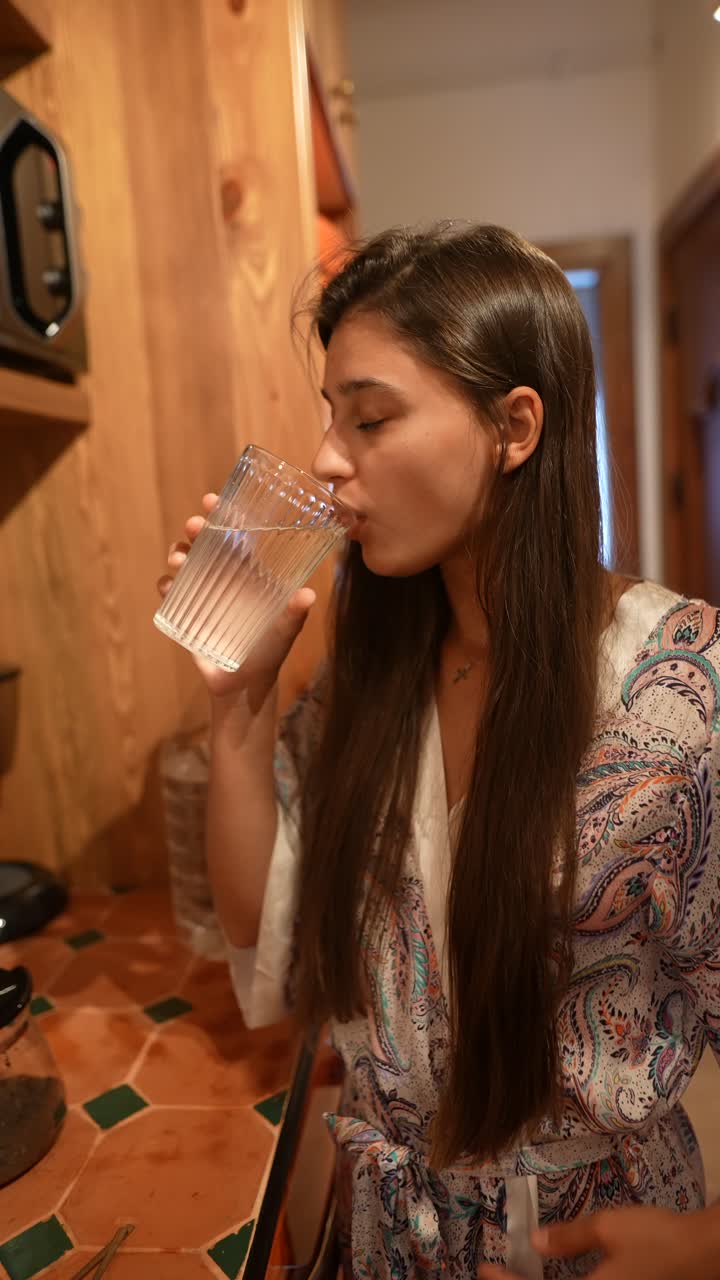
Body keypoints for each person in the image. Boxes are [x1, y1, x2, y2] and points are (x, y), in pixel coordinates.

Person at [156, 224, 720, 1279]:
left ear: (515, 426)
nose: (327, 458)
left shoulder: (681, 692)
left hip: (590, 1244)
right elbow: (266, 934)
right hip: (392, 1241)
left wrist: (701, 1245)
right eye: (331, 416)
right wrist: (239, 701)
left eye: (371, 418)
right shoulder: (370, 677)